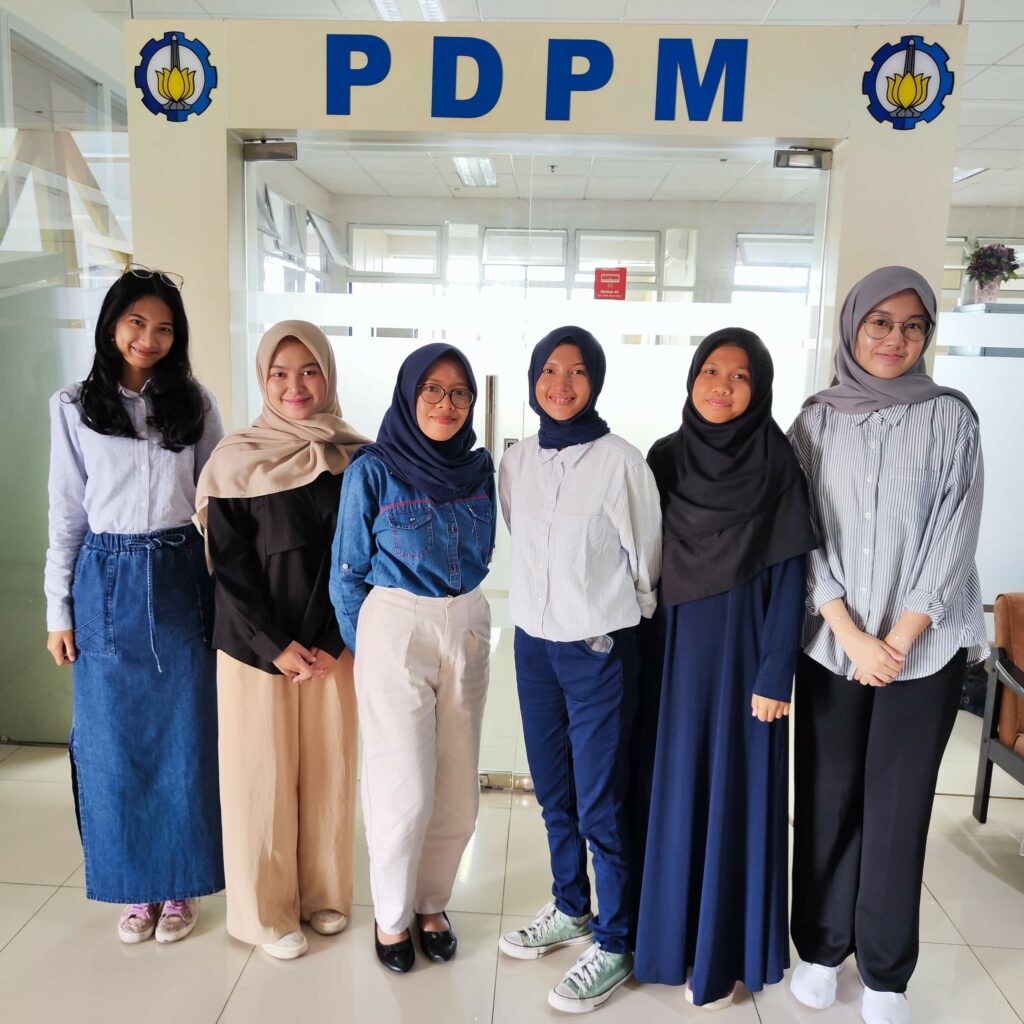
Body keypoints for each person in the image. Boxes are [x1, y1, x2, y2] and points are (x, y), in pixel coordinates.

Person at [787, 267, 988, 1024]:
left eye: (912, 326)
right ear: (853, 326)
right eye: (880, 322)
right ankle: (820, 948)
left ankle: (884, 971)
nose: (894, 339)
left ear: (927, 335)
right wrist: (849, 633)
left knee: (899, 808)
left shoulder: (951, 418)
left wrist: (897, 639)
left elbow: (956, 531)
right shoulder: (814, 422)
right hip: (833, 641)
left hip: (923, 650)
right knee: (828, 796)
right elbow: (800, 530)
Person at [632, 329, 816, 1009]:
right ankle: (666, 942)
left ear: (759, 388)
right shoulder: (664, 458)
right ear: (691, 378)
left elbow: (791, 572)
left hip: (744, 656)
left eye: (740, 376)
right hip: (670, 653)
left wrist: (775, 672)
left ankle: (720, 954)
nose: (722, 385)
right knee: (671, 791)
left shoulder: (777, 463)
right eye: (711, 370)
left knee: (731, 795)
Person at [44, 265, 224, 944]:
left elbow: (219, 499)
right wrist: (57, 610)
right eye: (136, 322)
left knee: (185, 736)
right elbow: (65, 512)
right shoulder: (72, 405)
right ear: (112, 325)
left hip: (180, 572)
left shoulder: (195, 402)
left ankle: (179, 886)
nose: (148, 338)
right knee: (112, 741)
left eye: (164, 328)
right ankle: (135, 890)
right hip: (104, 576)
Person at [497, 326, 662, 1014]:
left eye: (576, 372)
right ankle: (571, 906)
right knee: (553, 791)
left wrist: (603, 617)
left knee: (600, 801)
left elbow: (646, 564)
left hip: (596, 649)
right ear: (533, 378)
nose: (560, 384)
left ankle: (616, 941)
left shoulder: (622, 462)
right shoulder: (516, 461)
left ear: (595, 381)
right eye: (548, 370)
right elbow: (522, 536)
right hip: (533, 647)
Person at [196, 320, 366, 961]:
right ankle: (266, 914)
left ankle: (324, 894)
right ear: (263, 379)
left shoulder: (355, 457)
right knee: (259, 777)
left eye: (310, 371)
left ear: (328, 375)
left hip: (332, 647)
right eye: (280, 373)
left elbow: (362, 556)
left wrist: (328, 639)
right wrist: (273, 644)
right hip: (253, 650)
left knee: (329, 772)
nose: (295, 386)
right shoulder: (235, 458)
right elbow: (228, 565)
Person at [330, 343, 495, 974]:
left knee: (458, 790)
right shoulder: (373, 469)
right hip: (396, 623)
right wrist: (370, 649)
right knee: (404, 789)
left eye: (459, 392)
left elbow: (484, 549)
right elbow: (347, 573)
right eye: (432, 389)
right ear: (408, 394)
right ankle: (392, 915)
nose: (446, 404)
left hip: (468, 621)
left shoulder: (480, 468)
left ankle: (432, 903)